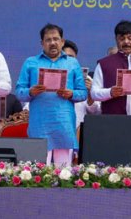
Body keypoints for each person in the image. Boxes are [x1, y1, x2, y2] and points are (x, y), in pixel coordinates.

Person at [15, 24, 87, 166]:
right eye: (48, 40)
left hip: (63, 124)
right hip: (40, 124)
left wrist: (71, 93)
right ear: (42, 43)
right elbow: (19, 92)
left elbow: (83, 93)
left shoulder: (72, 63)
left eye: (56, 39)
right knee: (39, 172)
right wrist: (31, 92)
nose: (52, 43)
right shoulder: (31, 63)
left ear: (62, 41)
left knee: (63, 173)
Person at [61, 39, 100, 126]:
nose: (68, 60)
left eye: (71, 57)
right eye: (64, 57)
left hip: (79, 131)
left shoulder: (87, 79)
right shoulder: (50, 77)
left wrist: (90, 93)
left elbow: (96, 112)